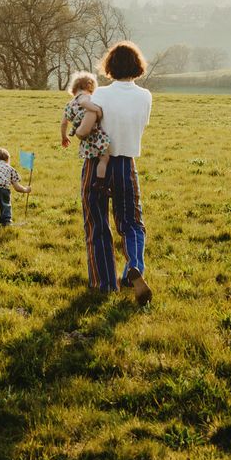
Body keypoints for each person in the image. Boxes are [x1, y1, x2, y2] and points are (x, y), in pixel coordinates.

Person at [77, 41, 153, 304]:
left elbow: (85, 129)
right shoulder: (145, 96)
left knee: (97, 224)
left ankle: (104, 284)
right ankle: (134, 267)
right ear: (137, 66)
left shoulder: (100, 96)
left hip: (98, 164)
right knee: (132, 223)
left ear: (109, 66)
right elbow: (141, 127)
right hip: (125, 164)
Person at [61, 71, 112, 187]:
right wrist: (97, 110)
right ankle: (100, 182)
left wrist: (64, 137)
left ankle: (95, 182)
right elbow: (84, 104)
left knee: (93, 160)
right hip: (95, 134)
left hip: (86, 140)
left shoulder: (69, 104)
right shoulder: (86, 97)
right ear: (90, 86)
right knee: (104, 158)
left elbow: (64, 123)